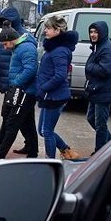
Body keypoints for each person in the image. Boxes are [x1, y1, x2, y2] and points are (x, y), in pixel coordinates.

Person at [0, 26, 39, 162]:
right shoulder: (19, 47)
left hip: (24, 91)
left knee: (12, 123)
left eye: (6, 44)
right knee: (27, 123)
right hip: (21, 90)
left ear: (12, 39)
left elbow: (31, 69)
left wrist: (17, 82)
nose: (5, 48)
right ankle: (32, 150)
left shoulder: (26, 48)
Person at [36, 16, 81, 160]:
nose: (45, 31)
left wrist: (44, 88)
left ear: (58, 30)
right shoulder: (54, 47)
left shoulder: (60, 50)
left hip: (55, 96)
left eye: (48, 28)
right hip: (49, 95)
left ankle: (50, 163)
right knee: (42, 130)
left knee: (47, 131)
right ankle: (66, 150)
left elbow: (60, 75)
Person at [84, 21, 111, 153]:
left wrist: (89, 66)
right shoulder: (98, 46)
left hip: (104, 91)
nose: (93, 35)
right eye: (91, 32)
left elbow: (106, 70)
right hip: (96, 90)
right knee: (91, 118)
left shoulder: (106, 48)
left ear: (102, 33)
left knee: (100, 124)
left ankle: (100, 151)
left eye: (96, 32)